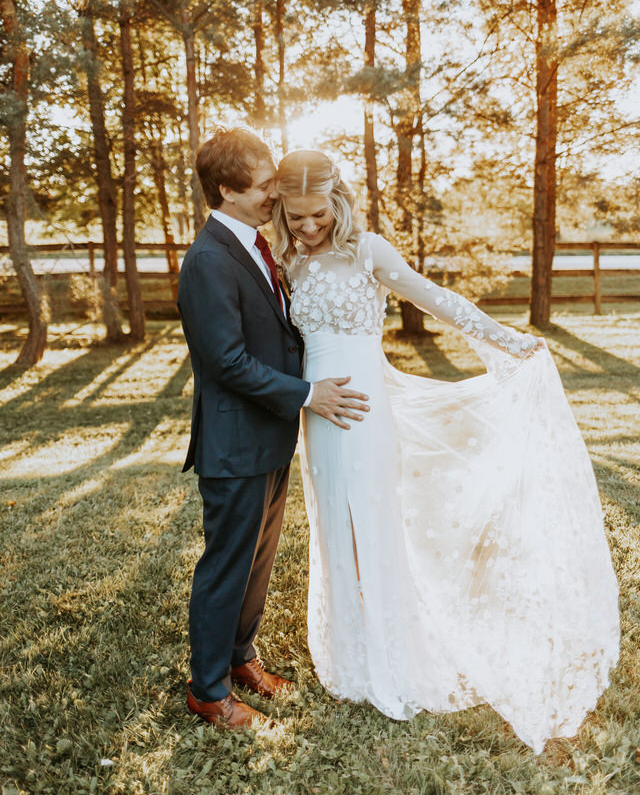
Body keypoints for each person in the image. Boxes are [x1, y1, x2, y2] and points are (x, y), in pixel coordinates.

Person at [272, 148, 620, 754]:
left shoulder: (368, 251)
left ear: (338, 200)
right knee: (336, 528)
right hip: (319, 413)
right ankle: (352, 658)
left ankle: (392, 659)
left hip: (368, 407)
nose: (307, 227)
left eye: (317, 215)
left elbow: (437, 300)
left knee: (375, 525)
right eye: (295, 216)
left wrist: (511, 342)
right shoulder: (285, 259)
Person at [177, 129, 369, 729]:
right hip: (235, 442)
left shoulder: (256, 246)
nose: (273, 198)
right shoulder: (209, 258)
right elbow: (225, 361)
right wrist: (310, 393)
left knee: (256, 562)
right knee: (227, 565)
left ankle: (240, 660)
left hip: (268, 435)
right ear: (228, 191)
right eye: (263, 188)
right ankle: (208, 692)